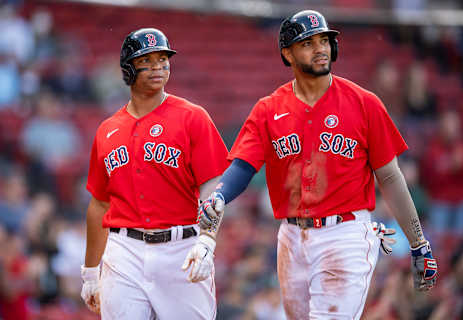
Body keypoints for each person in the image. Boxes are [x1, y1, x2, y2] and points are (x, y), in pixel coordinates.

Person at [187, 10, 438, 320]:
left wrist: (418, 243)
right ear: (287, 53)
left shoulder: (364, 103)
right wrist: (220, 195)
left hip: (345, 233)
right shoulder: (269, 109)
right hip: (292, 238)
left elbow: (390, 176)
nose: (320, 48)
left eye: (324, 40)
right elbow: (243, 166)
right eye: (308, 43)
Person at [80, 28, 228, 319]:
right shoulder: (107, 130)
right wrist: (89, 271)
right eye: (147, 60)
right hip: (124, 250)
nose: (158, 66)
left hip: (181, 249)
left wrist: (207, 240)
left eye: (163, 59)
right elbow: (99, 204)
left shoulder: (192, 117)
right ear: (128, 68)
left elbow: (214, 185)